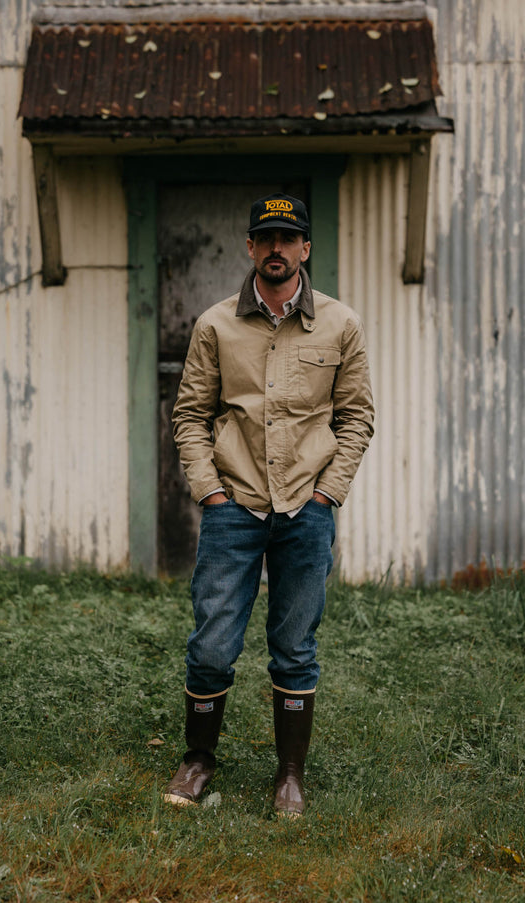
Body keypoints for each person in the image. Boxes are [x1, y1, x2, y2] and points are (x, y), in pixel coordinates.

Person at [164, 193, 374, 816]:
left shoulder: (341, 324)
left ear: (306, 249)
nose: (277, 248)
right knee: (211, 643)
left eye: (289, 237)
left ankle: (289, 775)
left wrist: (327, 493)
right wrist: (211, 490)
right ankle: (199, 758)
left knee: (295, 645)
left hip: (305, 510)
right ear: (251, 247)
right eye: (266, 237)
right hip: (235, 506)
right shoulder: (215, 324)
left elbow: (357, 417)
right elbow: (190, 417)